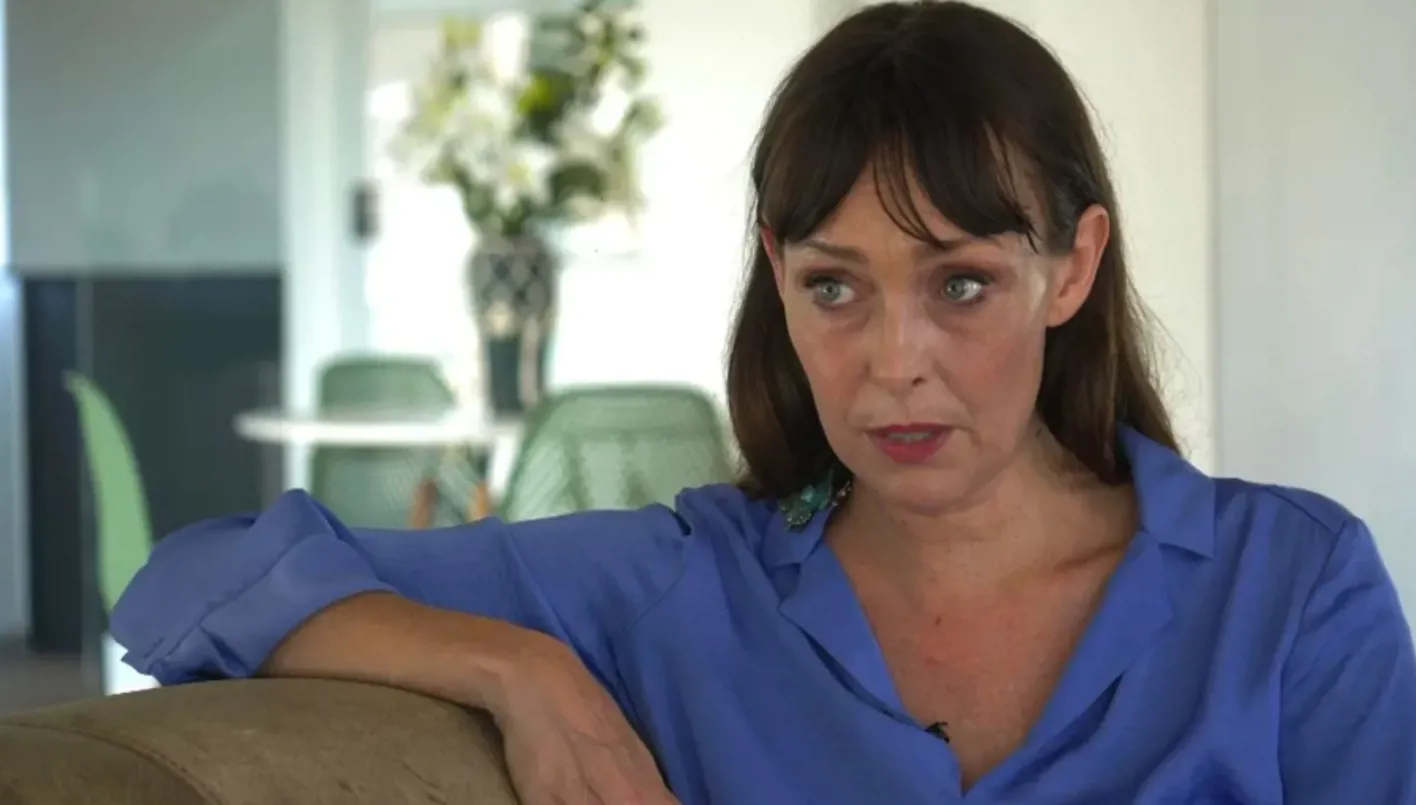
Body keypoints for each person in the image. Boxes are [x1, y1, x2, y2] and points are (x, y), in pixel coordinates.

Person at [112, 2, 1416, 804]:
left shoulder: (1292, 587)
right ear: (777, 277)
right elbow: (187, 584)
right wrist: (519, 669)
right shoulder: (681, 586)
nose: (894, 361)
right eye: (834, 288)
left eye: (961, 284)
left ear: (1070, 268)